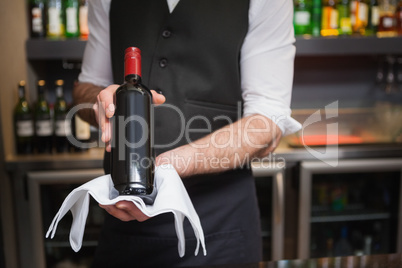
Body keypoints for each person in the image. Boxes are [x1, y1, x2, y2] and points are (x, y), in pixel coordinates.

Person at [73, 0, 301, 266]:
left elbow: (267, 123)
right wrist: (101, 104)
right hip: (125, 219)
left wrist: (166, 167)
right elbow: (84, 88)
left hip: (220, 227)